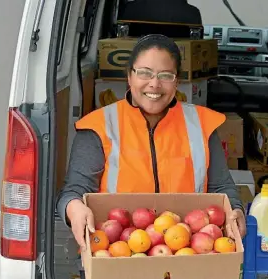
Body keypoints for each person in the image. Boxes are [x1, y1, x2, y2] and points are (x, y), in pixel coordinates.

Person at [56, 34, 246, 251]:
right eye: (144, 73)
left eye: (165, 75)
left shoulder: (202, 125)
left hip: (187, 253)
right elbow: (73, 191)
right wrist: (74, 209)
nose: (154, 84)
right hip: (116, 253)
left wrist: (235, 211)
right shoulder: (99, 126)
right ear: (129, 76)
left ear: (177, 82)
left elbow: (222, 187)